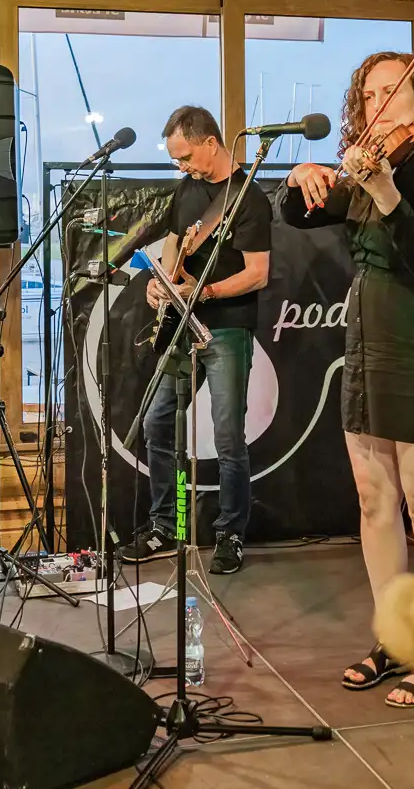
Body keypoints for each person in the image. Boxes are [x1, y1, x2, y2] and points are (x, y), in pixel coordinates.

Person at [280, 51, 414, 711]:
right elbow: (300, 215)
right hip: (370, 339)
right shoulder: (366, 164)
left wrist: (388, 191)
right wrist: (301, 178)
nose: (381, 102)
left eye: (394, 89)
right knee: (373, 495)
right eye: (370, 94)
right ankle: (394, 637)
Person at [119, 105, 271, 576]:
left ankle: (230, 533)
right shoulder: (187, 190)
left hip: (227, 327)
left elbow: (258, 274)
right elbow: (172, 242)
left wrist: (204, 292)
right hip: (181, 325)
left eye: (185, 156)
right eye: (175, 159)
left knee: (227, 436)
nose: (181, 166)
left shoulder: (249, 198)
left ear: (210, 142)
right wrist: (162, 283)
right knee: (156, 421)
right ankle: (164, 524)